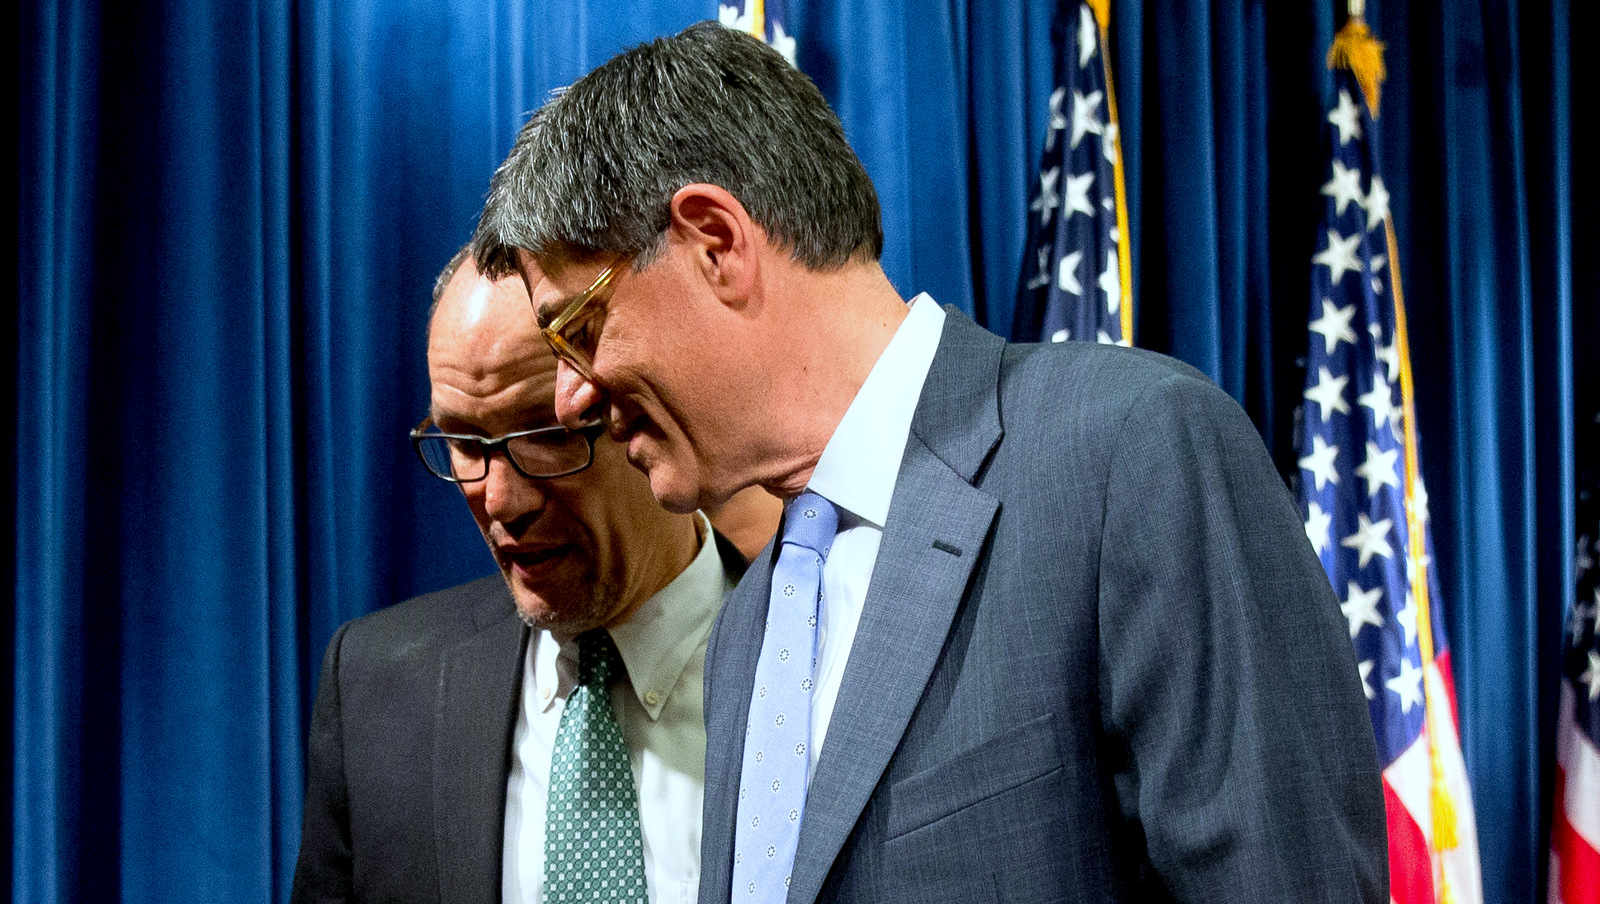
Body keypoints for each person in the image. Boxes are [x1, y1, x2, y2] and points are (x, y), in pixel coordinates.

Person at [471, 22, 1386, 904]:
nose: (570, 398)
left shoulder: (1131, 454)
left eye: (580, 329)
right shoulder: (750, 618)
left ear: (716, 242)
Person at [290, 247, 777, 904]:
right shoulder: (375, 691)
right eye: (464, 443)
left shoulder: (825, 663)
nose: (500, 499)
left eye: (547, 436)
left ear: (656, 412)